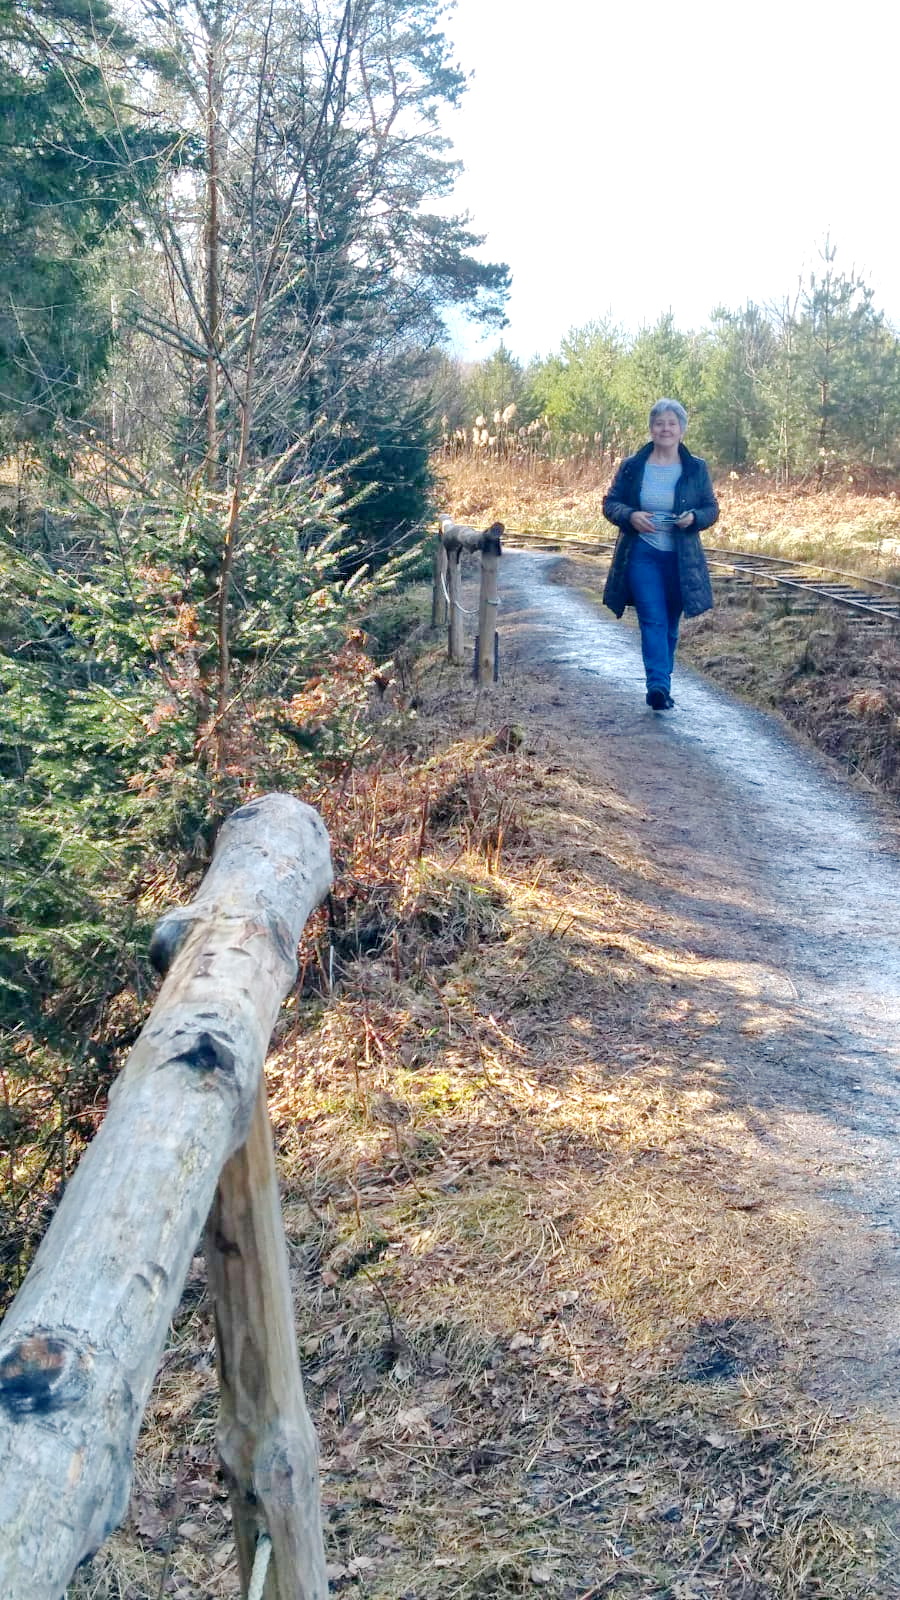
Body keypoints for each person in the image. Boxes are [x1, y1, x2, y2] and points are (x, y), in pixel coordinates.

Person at [602, 399, 718, 710]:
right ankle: (657, 686)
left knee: (670, 625)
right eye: (659, 423)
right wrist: (630, 516)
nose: (665, 429)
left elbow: (711, 509)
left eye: (671, 423)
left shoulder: (696, 468)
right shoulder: (632, 466)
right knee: (652, 619)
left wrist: (693, 518)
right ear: (651, 428)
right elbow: (610, 503)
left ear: (681, 429)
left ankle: (662, 681)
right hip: (642, 554)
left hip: (681, 560)